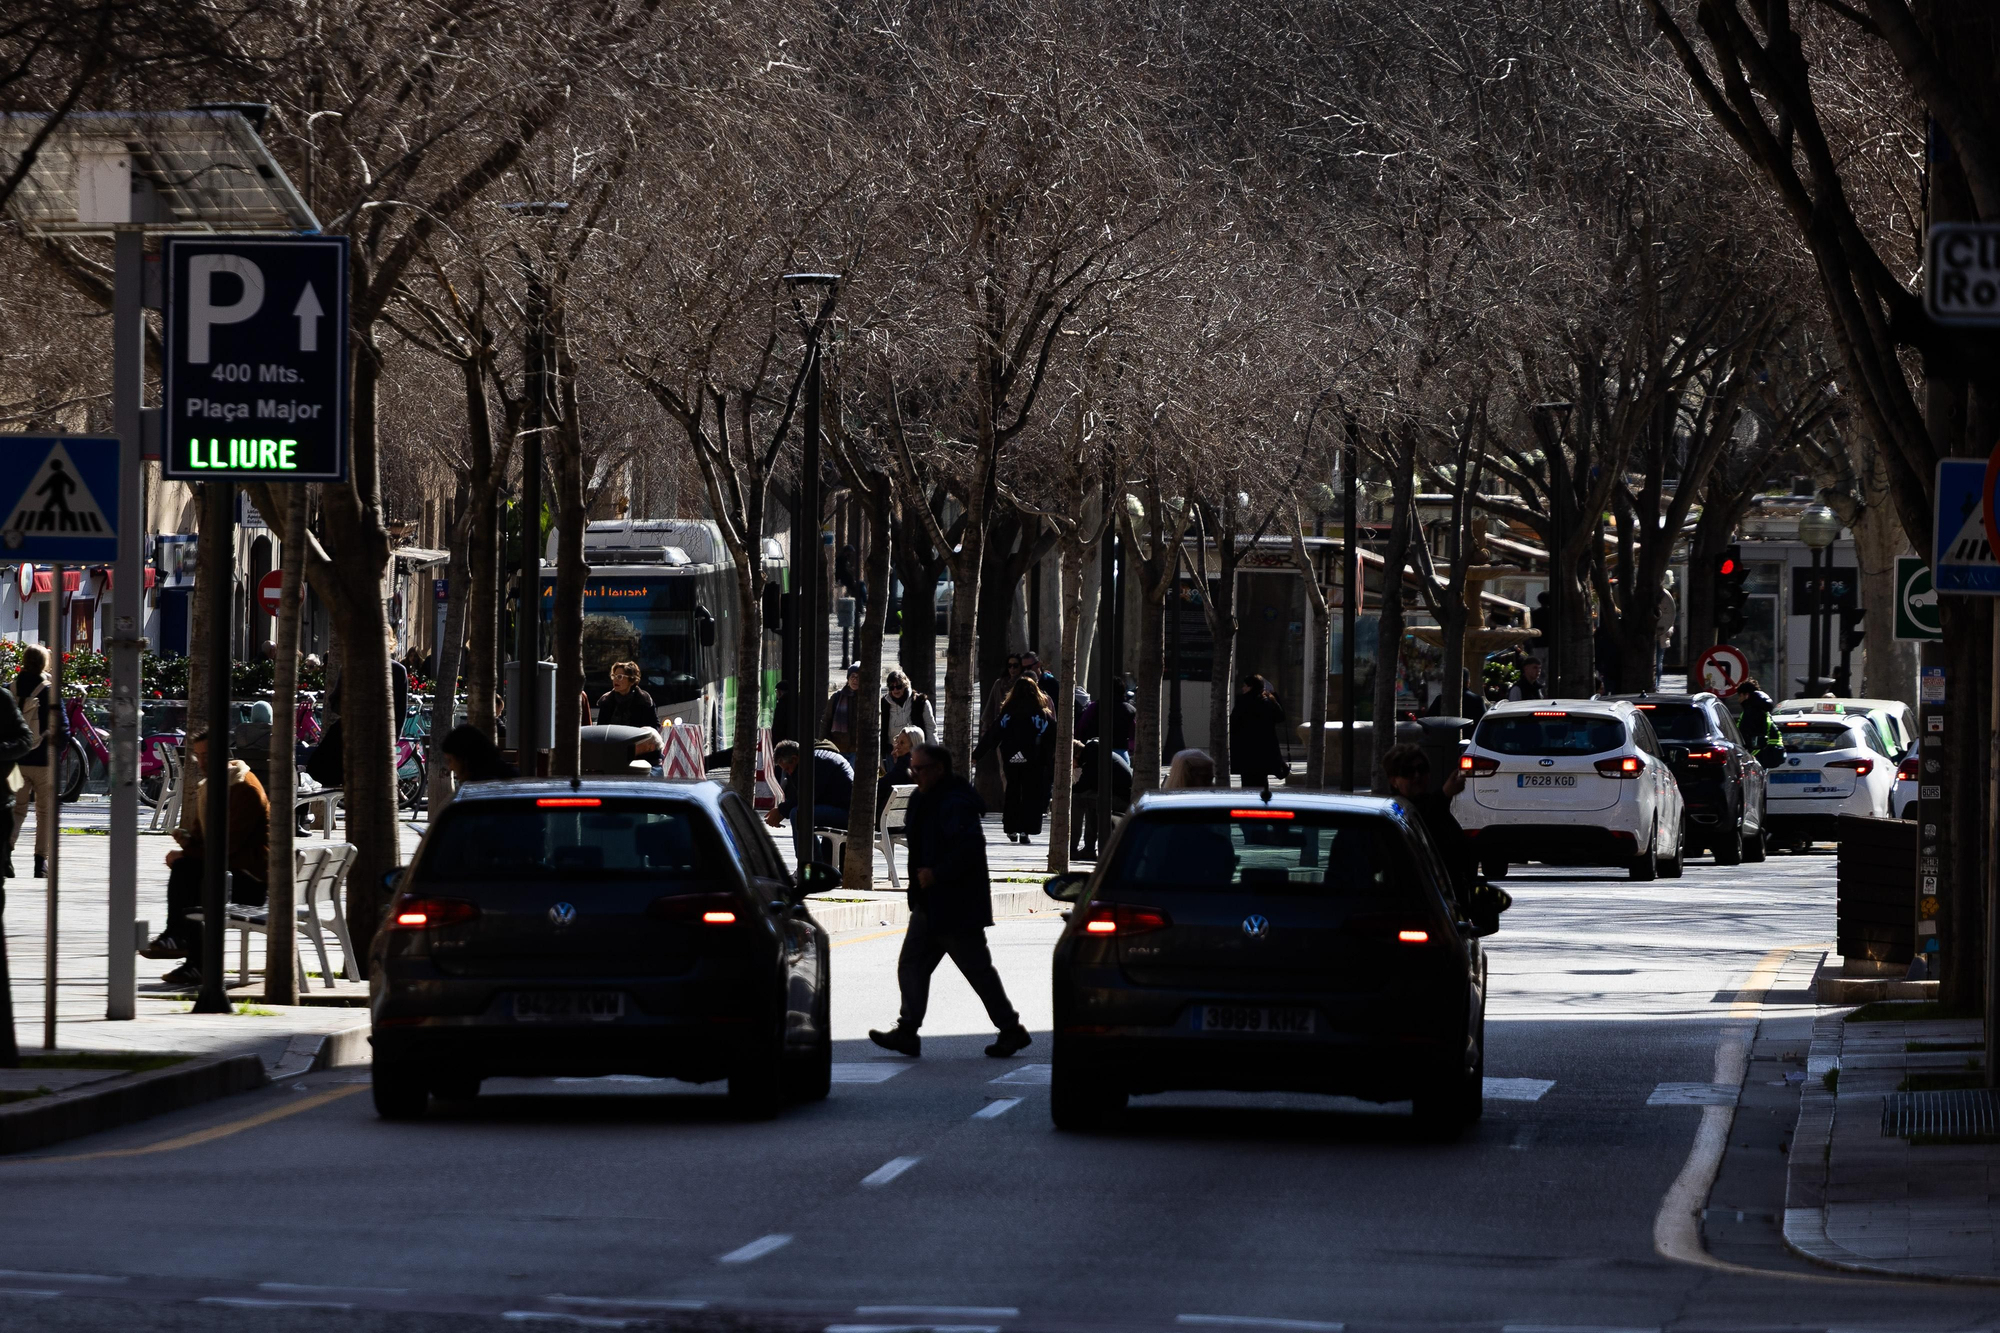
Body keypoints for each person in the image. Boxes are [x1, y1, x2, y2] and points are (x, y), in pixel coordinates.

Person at [868, 743, 1030, 1059]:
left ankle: (1011, 1030)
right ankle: (907, 1031)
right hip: (930, 904)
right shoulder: (922, 798)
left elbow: (968, 851)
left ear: (939, 769)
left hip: (956, 906)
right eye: (912, 768)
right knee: (913, 964)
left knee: (977, 971)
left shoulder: (955, 802)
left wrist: (937, 874)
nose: (914, 774)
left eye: (920, 768)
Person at [142, 729, 271, 985]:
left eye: (208, 755)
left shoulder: (243, 788)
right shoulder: (212, 786)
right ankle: (191, 958)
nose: (202, 763)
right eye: (198, 756)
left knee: (188, 872)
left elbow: (226, 847)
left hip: (253, 882)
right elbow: (207, 840)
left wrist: (186, 852)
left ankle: (180, 941)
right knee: (191, 874)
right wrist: (188, 840)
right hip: (231, 873)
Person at [1381, 742, 1475, 903]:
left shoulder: (1435, 807)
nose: (1417, 776)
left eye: (1422, 769)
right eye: (1408, 772)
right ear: (1393, 780)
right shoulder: (1393, 814)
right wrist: (1444, 795)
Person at [10, 645, 66, 879]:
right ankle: (40, 862)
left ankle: (5, 855)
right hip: (44, 761)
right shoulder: (49, 691)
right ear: (45, 663)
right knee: (45, 813)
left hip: (14, 764)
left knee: (15, 810)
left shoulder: (8, 689)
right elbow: (63, 729)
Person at [990, 676, 1054, 845]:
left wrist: (978, 753)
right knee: (1031, 793)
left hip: (1012, 757)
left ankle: (1011, 827)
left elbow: (994, 732)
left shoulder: (1008, 713)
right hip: (1034, 758)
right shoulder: (1040, 713)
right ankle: (1027, 829)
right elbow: (1052, 734)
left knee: (1012, 791)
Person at [765, 739, 856, 849]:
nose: (788, 773)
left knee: (798, 815)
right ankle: (816, 859)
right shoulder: (815, 758)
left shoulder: (813, 763)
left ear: (794, 759)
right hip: (841, 807)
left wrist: (781, 810)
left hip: (848, 813)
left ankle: (810, 861)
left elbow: (806, 797)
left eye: (788, 769)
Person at [1071, 737, 1133, 859]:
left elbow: (1083, 785)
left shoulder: (1092, 756)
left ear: (1074, 755)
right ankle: (1089, 849)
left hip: (1120, 801)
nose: (1072, 767)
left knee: (1076, 799)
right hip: (1122, 798)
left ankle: (1071, 848)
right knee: (1089, 799)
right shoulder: (1094, 752)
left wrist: (1063, 793)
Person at [1230, 673, 1287, 790]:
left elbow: (1234, 722)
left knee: (1247, 782)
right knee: (1262, 780)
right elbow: (1280, 717)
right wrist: (1274, 696)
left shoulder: (1243, 701)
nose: (1243, 688)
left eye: (1245, 686)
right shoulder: (1268, 701)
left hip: (1246, 750)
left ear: (1251, 687)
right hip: (1264, 749)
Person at [879, 670, 936, 760]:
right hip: (892, 752)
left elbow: (930, 728)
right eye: (891, 687)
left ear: (906, 685)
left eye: (898, 686)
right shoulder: (883, 704)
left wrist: (932, 752)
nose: (895, 690)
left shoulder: (920, 702)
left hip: (916, 751)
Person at [439, 724, 518, 784]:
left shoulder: (480, 789)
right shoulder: (508, 774)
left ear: (464, 759)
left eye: (450, 760)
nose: (450, 768)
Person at [595, 660, 658, 729]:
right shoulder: (606, 701)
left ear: (631, 680)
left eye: (619, 677)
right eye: (614, 676)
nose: (615, 680)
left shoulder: (644, 701)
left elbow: (654, 728)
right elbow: (600, 729)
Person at [819, 666, 866, 756]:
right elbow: (826, 720)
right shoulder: (837, 697)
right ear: (848, 679)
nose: (855, 680)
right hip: (837, 748)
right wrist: (823, 742)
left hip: (857, 750)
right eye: (852, 676)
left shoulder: (866, 698)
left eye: (858, 677)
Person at [878, 724, 924, 814]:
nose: (897, 746)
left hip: (887, 818)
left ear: (913, 746)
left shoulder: (904, 766)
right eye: (897, 742)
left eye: (902, 743)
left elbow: (880, 786)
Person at [1737, 679, 1782, 766]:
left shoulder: (1751, 711)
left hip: (1759, 753)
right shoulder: (1760, 708)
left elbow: (1746, 733)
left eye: (1740, 696)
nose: (1739, 700)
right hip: (1769, 751)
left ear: (1746, 695)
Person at [770, 679, 798, 746]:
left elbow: (778, 725)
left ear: (780, 692)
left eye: (777, 692)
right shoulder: (797, 701)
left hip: (783, 741)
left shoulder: (781, 704)